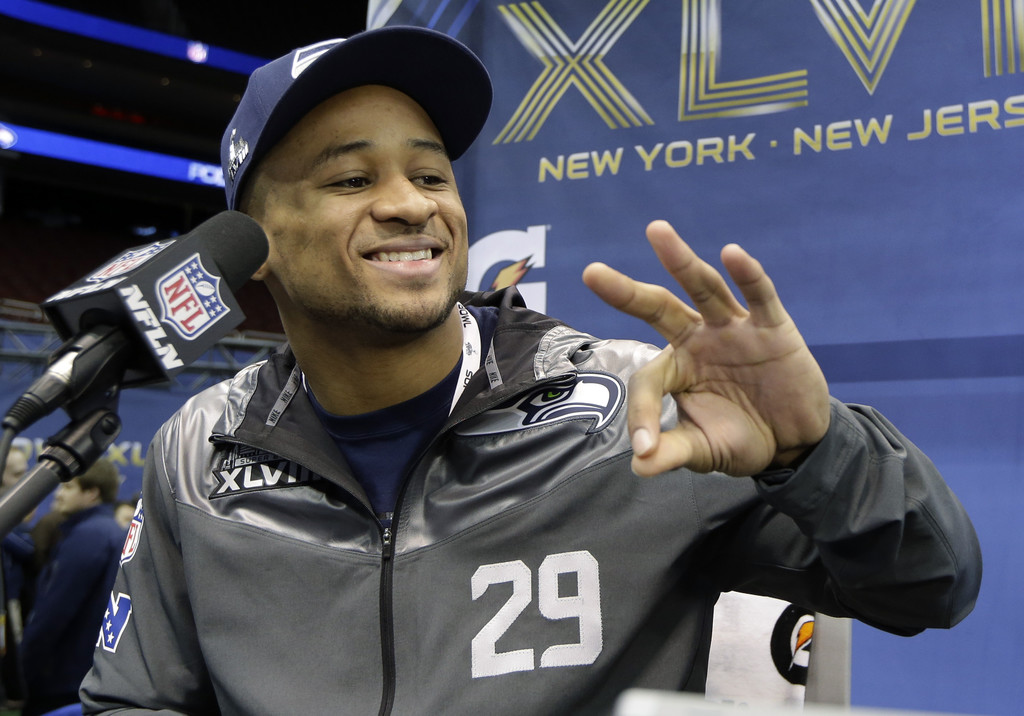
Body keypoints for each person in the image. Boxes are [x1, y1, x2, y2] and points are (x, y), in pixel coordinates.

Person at [80, 26, 981, 715]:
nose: (409, 205)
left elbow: (932, 587)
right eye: (351, 181)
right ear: (255, 245)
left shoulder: (638, 410)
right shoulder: (199, 452)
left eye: (431, 176)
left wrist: (817, 450)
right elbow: (135, 700)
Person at [21, 458, 124, 716]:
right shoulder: (111, 532)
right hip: (92, 675)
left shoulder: (87, 536)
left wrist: (20, 675)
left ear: (91, 493)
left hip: (62, 681)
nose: (58, 494)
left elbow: (52, 613)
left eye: (68, 487)